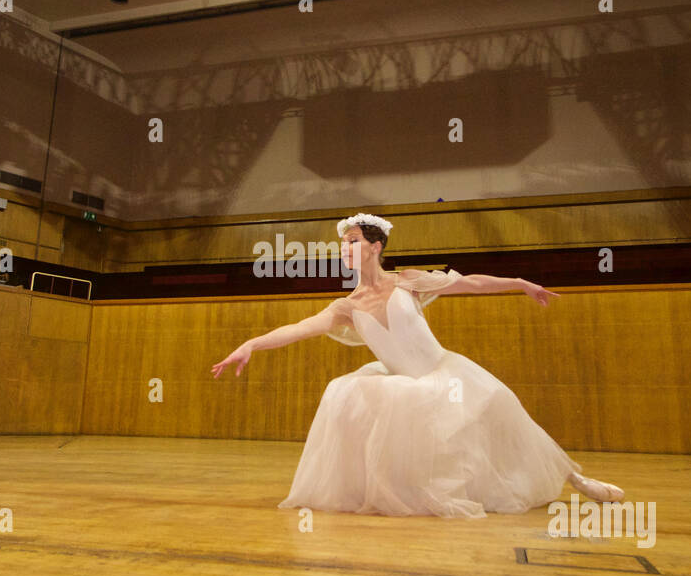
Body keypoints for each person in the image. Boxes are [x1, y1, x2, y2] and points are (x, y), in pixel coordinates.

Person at [211, 213, 624, 518]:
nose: (345, 249)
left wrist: (520, 284)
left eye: (353, 241)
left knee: (505, 408)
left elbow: (470, 282)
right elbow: (301, 327)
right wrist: (252, 344)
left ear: (375, 248)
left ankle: (577, 479)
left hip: (444, 372)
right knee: (349, 396)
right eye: (342, 243)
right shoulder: (346, 307)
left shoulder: (407, 281)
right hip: (401, 386)